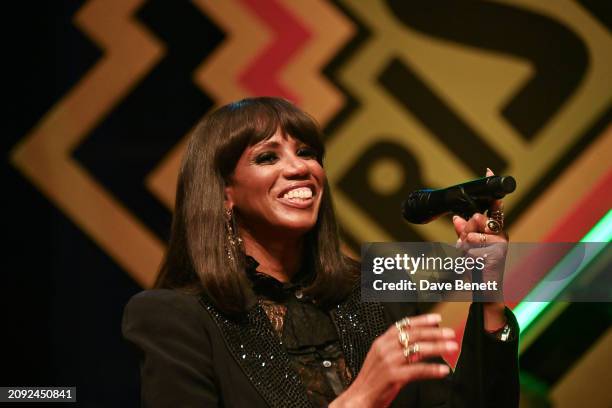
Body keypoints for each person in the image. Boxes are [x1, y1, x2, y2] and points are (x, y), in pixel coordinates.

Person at [122, 97, 519, 407]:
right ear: (224, 193)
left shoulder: (377, 294)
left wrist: (488, 302)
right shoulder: (175, 319)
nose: (300, 169)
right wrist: (360, 399)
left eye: (307, 152)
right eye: (267, 156)